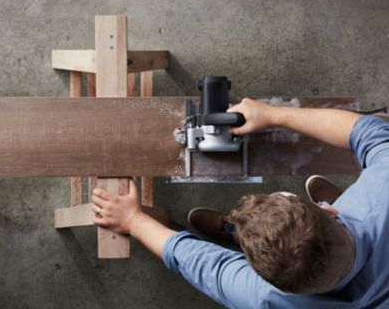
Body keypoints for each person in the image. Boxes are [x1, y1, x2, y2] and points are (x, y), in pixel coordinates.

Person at [91, 98, 389, 308]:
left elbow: (201, 262)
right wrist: (273, 115)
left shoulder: (264, 298)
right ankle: (263, 232)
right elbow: (369, 132)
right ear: (330, 211)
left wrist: (133, 221)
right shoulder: (383, 189)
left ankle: (238, 233)